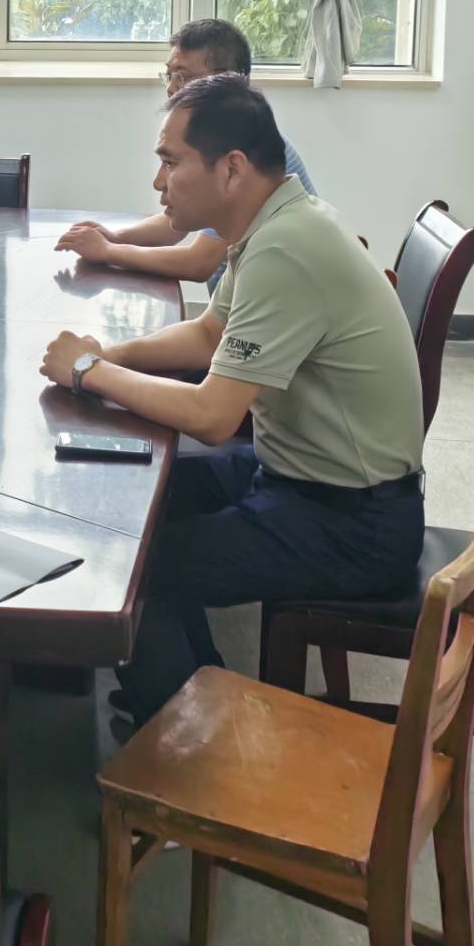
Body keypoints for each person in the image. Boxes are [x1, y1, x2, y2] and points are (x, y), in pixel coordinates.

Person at [40, 74, 424, 729]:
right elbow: (208, 333)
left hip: (351, 523)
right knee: (135, 500)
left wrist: (89, 373)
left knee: (139, 569)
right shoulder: (276, 225)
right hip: (300, 476)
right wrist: (110, 356)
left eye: (170, 162)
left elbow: (213, 417)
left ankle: (186, 746)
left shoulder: (287, 248)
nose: (158, 183)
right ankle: (189, 693)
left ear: (232, 169)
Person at [55, 18, 315, 289]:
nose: (171, 88)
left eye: (184, 77)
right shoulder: (224, 141)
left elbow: (199, 262)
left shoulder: (250, 153)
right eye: (169, 76)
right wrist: (115, 237)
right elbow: (175, 223)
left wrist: (109, 251)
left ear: (228, 81)